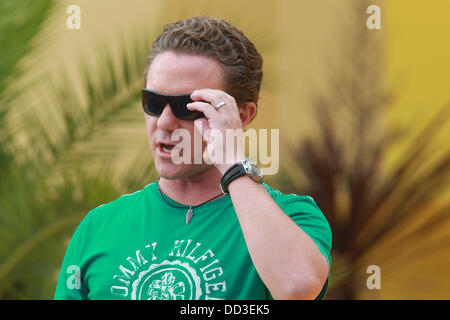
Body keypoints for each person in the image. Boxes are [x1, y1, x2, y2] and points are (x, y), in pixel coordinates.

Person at [54, 16, 332, 300]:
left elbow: (297, 286)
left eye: (188, 107)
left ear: (243, 116)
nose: (163, 122)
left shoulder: (292, 217)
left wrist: (232, 163)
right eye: (153, 102)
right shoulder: (98, 226)